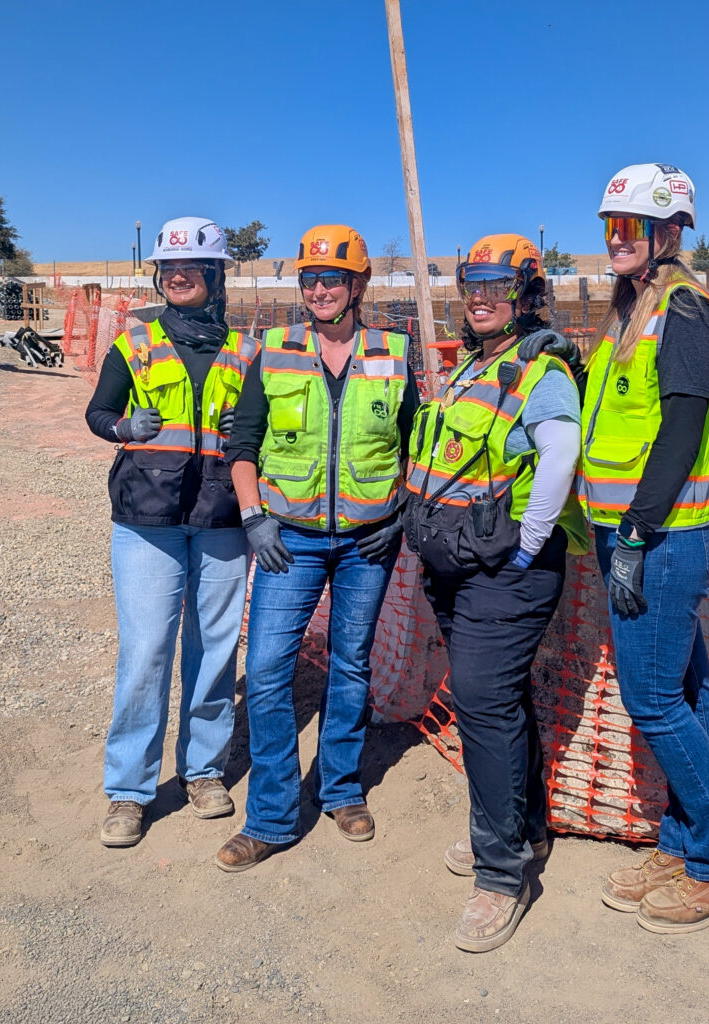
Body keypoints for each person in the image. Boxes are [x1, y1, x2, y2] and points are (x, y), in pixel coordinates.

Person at [579, 163, 709, 931]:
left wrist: (636, 535)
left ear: (670, 233)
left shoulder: (682, 310)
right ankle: (684, 841)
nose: (616, 239)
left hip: (660, 540)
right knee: (686, 695)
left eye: (631, 227)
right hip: (633, 537)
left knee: (652, 702)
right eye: (609, 226)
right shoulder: (627, 311)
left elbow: (681, 432)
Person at [402, 234, 588, 952]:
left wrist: (531, 544)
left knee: (481, 704)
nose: (480, 296)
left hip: (506, 568)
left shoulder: (539, 367)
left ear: (526, 294)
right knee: (497, 703)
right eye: (471, 284)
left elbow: (560, 455)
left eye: (497, 285)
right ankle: (524, 830)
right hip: (460, 562)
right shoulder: (473, 366)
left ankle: (501, 875)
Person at [215, 224, 420, 871]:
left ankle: (341, 790)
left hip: (368, 542)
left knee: (351, 663)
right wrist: (254, 517)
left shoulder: (394, 351)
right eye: (310, 278)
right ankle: (272, 817)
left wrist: (405, 507)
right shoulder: (274, 350)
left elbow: (419, 441)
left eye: (333, 278)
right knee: (271, 670)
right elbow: (241, 444)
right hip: (288, 541)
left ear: (358, 284)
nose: (320, 289)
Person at [85, 217, 258, 847]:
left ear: (215, 277)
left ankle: (204, 770)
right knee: (147, 652)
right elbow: (98, 411)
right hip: (147, 521)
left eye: (192, 268)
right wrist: (122, 430)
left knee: (214, 652)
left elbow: (256, 434)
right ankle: (129, 789)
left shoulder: (245, 350)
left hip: (219, 521)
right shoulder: (135, 343)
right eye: (169, 269)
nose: (178, 277)